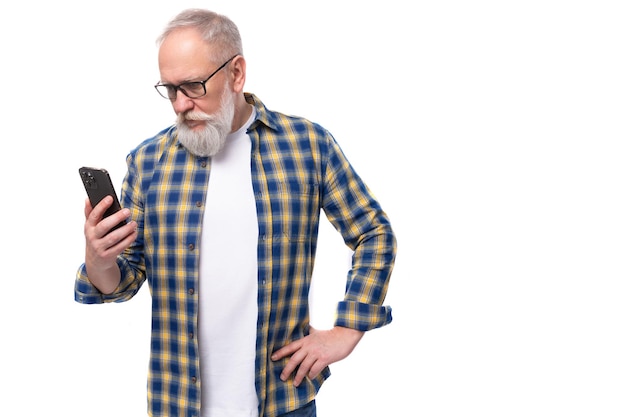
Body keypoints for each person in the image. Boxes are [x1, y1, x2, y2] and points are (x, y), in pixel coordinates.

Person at [75, 8, 396, 417]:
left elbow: (374, 233)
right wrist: (98, 258)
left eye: (192, 86)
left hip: (284, 400)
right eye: (170, 89)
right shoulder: (148, 161)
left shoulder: (308, 146)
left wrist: (350, 327)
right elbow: (123, 280)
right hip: (177, 403)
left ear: (237, 73)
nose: (180, 104)